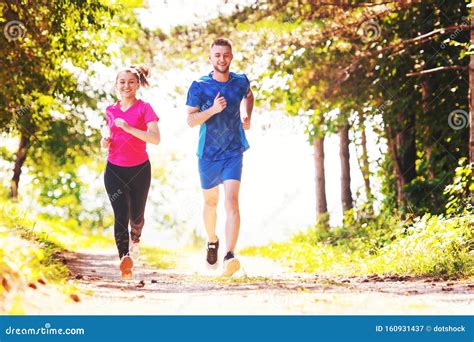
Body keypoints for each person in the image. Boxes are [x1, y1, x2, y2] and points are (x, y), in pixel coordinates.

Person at [186, 38, 254, 276]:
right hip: (208, 154)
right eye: (217, 55)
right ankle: (212, 239)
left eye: (226, 55)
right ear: (210, 58)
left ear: (231, 57)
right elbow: (191, 120)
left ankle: (229, 255)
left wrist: (247, 116)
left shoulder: (240, 81)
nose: (222, 59)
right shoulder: (199, 86)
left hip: (234, 150)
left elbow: (249, 95)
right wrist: (213, 110)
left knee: (232, 201)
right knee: (211, 203)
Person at [102, 65, 160, 279]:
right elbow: (108, 136)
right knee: (120, 214)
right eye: (122, 82)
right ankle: (124, 257)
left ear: (138, 85)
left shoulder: (145, 108)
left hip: (140, 170)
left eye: (131, 82)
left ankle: (136, 237)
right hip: (114, 169)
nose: (126, 86)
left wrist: (128, 128)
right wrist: (105, 142)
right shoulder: (110, 110)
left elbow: (155, 138)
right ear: (116, 85)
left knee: (136, 216)